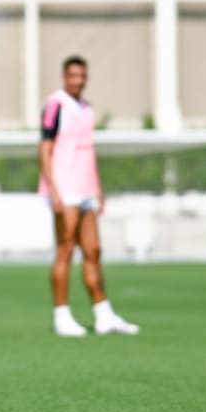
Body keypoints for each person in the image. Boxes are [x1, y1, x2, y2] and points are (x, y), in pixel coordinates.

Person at [38, 55, 138, 338]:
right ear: (64, 77)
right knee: (65, 249)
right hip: (64, 188)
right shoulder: (55, 105)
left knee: (93, 251)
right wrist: (53, 189)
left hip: (85, 189)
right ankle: (62, 315)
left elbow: (89, 151)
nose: (78, 81)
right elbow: (45, 148)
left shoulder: (87, 108)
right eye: (73, 76)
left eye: (82, 76)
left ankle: (104, 314)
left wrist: (98, 188)